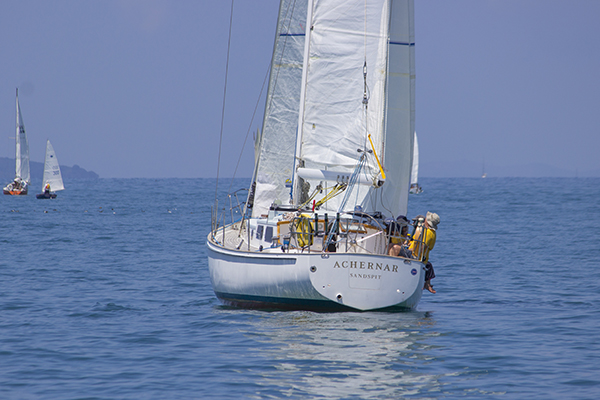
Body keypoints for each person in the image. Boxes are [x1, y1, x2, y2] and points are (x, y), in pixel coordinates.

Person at [409, 211, 440, 293]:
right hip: (421, 257)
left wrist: (411, 252)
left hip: (415, 256)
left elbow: (422, 246)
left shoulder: (428, 233)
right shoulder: (432, 232)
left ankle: (427, 284)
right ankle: (427, 284)